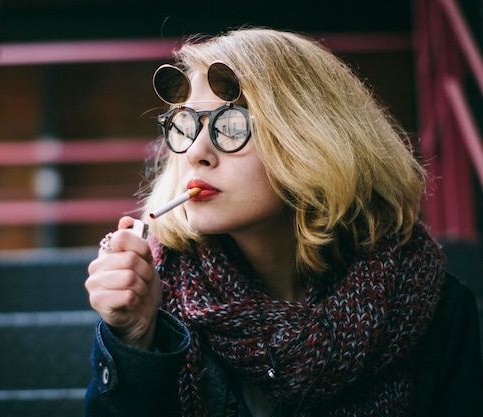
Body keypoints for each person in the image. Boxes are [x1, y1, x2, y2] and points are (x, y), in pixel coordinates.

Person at [83, 27, 483, 417]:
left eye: (232, 125)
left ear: (311, 138)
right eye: (186, 125)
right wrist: (134, 342)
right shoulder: (160, 301)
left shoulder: (428, 299)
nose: (196, 152)